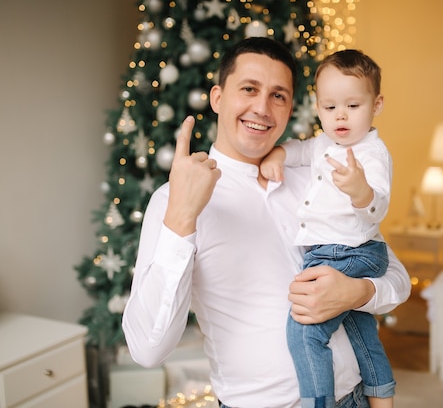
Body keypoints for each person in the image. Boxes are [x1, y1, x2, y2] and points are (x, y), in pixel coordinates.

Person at [121, 37, 411, 408]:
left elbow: (397, 277)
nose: (262, 108)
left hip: (355, 398)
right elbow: (147, 349)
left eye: (278, 96)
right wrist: (181, 216)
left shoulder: (320, 175)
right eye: (248, 89)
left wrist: (359, 293)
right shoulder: (173, 200)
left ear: (291, 108)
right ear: (218, 98)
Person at [260, 49, 394, 408]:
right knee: (359, 326)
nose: (341, 116)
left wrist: (360, 191)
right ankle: (382, 391)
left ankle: (316, 402)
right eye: (330, 107)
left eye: (353, 105)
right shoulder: (324, 144)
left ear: (376, 104)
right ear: (317, 107)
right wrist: (278, 155)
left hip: (353, 252)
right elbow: (300, 150)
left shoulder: (371, 154)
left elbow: (377, 205)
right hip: (331, 252)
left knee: (304, 329)